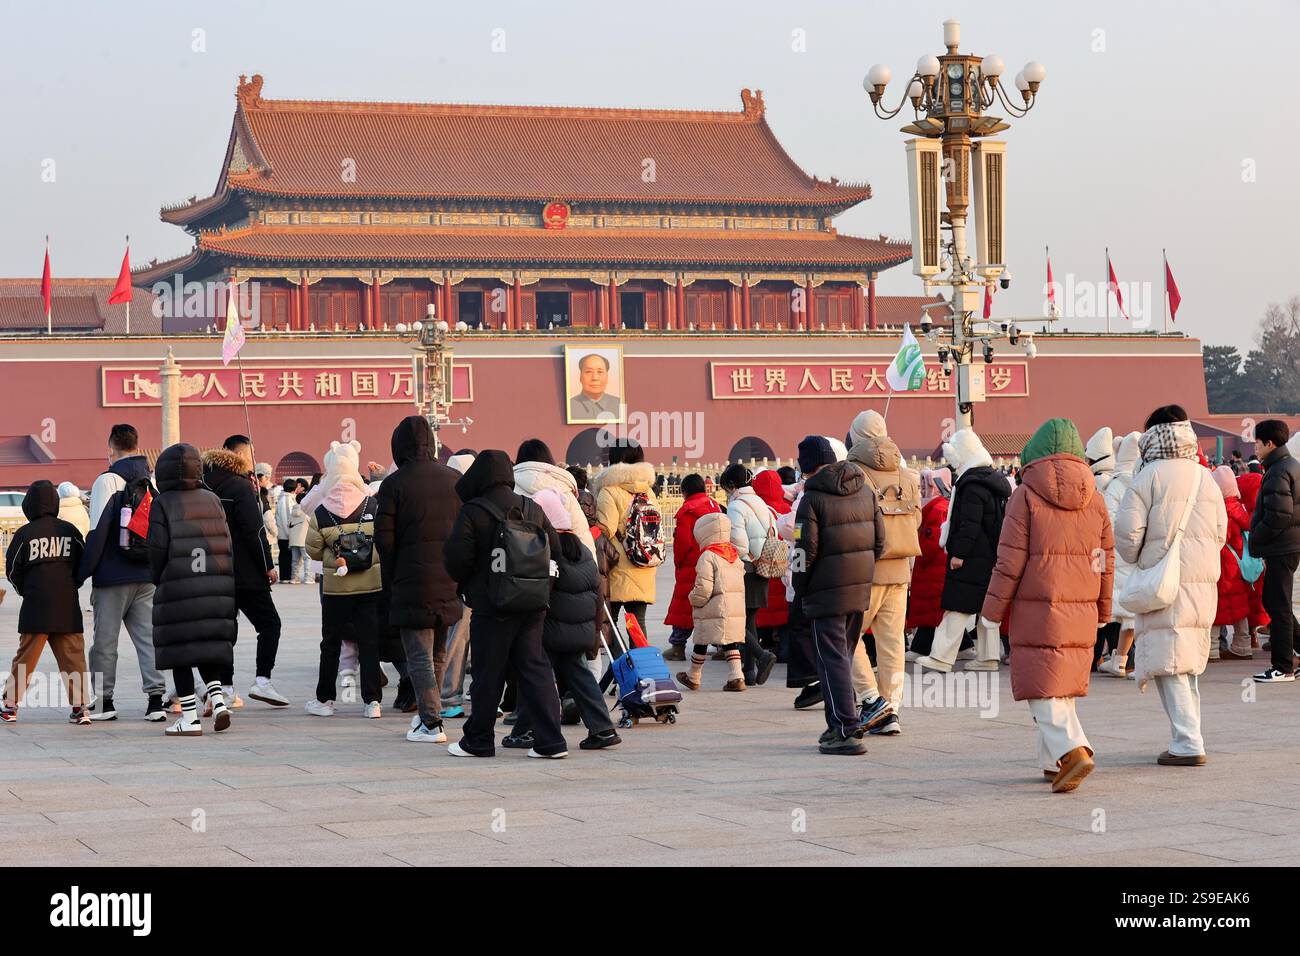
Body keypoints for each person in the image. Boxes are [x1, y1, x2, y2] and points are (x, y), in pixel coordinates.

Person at [982, 419, 1114, 793]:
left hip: (1037, 605)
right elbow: (1105, 559)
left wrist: (992, 611)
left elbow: (1009, 560)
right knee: (1063, 684)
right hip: (1082, 604)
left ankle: (1073, 750)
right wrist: (1103, 608)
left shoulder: (1024, 495)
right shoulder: (1097, 498)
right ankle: (1051, 760)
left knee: (1040, 685)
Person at [1114, 406, 1226, 765]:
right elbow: (1221, 533)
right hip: (1201, 579)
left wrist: (1142, 556)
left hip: (1164, 579)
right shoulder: (1204, 477)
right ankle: (1188, 735)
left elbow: (1128, 537)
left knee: (1171, 659)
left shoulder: (1147, 477)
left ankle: (1188, 741)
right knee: (1187, 659)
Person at [443, 450, 567, 759]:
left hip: (492, 606)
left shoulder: (473, 511)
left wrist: (472, 587)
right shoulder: (532, 508)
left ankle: (479, 740)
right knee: (535, 669)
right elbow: (556, 552)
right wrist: (540, 589)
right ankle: (551, 742)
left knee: (488, 673)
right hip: (532, 605)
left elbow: (457, 560)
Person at [792, 436, 884, 756]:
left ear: (806, 467)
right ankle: (837, 724)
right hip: (859, 588)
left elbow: (803, 551)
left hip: (825, 593)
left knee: (831, 660)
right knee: (842, 656)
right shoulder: (864, 489)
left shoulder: (811, 499)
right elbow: (880, 542)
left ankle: (846, 727)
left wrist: (799, 587)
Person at [508, 488, 620, 749]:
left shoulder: (545, 548)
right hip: (579, 630)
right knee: (580, 677)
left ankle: (524, 731)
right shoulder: (582, 548)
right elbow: (596, 593)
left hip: (550, 628)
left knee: (534, 675)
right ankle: (602, 729)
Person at [374, 417, 465, 741]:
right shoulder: (455, 480)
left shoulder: (394, 485)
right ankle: (432, 714)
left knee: (419, 657)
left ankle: (430, 722)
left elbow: (384, 541)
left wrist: (394, 576)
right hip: (450, 581)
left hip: (411, 582)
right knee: (438, 653)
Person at [145, 443, 238, 737]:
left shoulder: (163, 502)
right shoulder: (212, 499)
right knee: (206, 649)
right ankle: (219, 703)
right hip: (214, 585)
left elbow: (157, 547)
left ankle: (189, 718)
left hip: (178, 587)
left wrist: (157, 577)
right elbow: (226, 543)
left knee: (180, 654)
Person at [80, 424, 166, 722]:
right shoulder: (151, 479)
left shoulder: (108, 481)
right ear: (137, 444)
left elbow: (98, 531)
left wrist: (82, 573)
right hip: (146, 574)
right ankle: (156, 700)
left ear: (111, 446)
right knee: (148, 638)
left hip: (112, 576)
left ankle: (104, 702)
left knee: (105, 642)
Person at [847, 409, 922, 736]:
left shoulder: (852, 474)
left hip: (864, 571)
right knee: (893, 645)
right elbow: (916, 521)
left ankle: (870, 699)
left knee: (845, 637)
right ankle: (890, 708)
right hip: (900, 570)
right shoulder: (908, 476)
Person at [915, 429, 1009, 674]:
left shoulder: (971, 484)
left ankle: (941, 657)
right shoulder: (991, 480)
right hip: (990, 555)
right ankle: (988, 658)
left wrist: (959, 553)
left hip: (971, 556)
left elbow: (969, 524)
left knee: (956, 606)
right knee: (986, 608)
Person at [203, 435, 286, 707]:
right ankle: (263, 681)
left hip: (214, 571)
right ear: (238, 454)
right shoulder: (240, 487)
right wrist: (268, 565)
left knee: (226, 630)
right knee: (270, 624)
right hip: (246, 572)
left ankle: (225, 688)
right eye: (250, 453)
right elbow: (255, 531)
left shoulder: (204, 483)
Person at [304, 440, 384, 719]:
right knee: (369, 642)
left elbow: (312, 548)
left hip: (336, 588)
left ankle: (325, 700)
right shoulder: (372, 503)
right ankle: (372, 702)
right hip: (369, 585)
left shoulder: (322, 510)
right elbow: (384, 540)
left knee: (331, 642)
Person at [1, 480, 89, 724]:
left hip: (35, 606)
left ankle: (10, 706)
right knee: (74, 658)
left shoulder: (24, 534)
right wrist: (72, 586)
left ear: (28, 504)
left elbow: (12, 571)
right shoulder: (70, 531)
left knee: (25, 659)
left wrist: (26, 592)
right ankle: (81, 708)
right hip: (67, 607)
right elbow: (83, 565)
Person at [1248, 419, 1300, 682]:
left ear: (1270, 443)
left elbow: (1279, 515)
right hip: (1288, 545)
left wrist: (1256, 536)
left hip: (1281, 546)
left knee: (1277, 606)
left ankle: (1283, 666)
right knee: (1276, 603)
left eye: (1257, 442)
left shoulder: (1279, 470)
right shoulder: (1287, 465)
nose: (1255, 448)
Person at [718, 464, 779, 686]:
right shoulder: (760, 503)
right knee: (749, 618)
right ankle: (750, 671)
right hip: (763, 566)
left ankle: (762, 655)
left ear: (732, 485)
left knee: (733, 621)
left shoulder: (736, 506)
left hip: (746, 568)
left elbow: (739, 543)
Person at [592, 439, 659, 637]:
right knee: (637, 624)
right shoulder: (648, 491)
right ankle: (641, 664)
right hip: (644, 561)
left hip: (618, 567)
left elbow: (605, 529)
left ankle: (620, 664)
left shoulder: (609, 490)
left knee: (608, 623)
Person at [675, 511, 747, 691]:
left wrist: (694, 599)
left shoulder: (708, 556)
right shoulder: (734, 555)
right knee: (730, 642)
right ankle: (737, 676)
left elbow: (704, 587)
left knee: (701, 641)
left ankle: (693, 676)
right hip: (734, 607)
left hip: (712, 607)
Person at [663, 474, 721, 661]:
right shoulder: (715, 506)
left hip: (692, 565)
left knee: (684, 605)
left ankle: (678, 646)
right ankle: (720, 646)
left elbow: (682, 544)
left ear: (685, 491)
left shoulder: (687, 511)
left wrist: (678, 563)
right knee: (714, 605)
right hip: (716, 560)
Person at [1097, 432, 1142, 678]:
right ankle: (1125, 660)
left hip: (1116, 553)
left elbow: (1106, 523)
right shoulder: (1143, 482)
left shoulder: (1112, 485)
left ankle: (1119, 659)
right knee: (1135, 613)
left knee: (1122, 611)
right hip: (1137, 553)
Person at [439, 450, 477, 719]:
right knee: (470, 638)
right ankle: (461, 694)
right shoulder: (476, 503)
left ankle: (450, 695)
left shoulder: (445, 502)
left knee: (456, 640)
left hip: (451, 580)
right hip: (472, 582)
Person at [513, 439, 595, 556]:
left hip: (524, 564)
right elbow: (581, 534)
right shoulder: (564, 490)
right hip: (562, 564)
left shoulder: (512, 489)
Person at [905, 467, 952, 660]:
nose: (923, 491)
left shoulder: (938, 509)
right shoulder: (937, 507)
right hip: (932, 569)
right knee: (933, 609)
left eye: (925, 486)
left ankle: (921, 646)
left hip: (932, 569)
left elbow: (931, 544)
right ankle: (963, 645)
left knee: (931, 609)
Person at [1211, 466, 1254, 660]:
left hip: (1224, 565)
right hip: (1238, 566)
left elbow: (1221, 537)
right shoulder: (1239, 507)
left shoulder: (1222, 510)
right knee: (1240, 607)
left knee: (1217, 607)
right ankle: (1243, 645)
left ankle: (1211, 648)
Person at [752, 469, 791, 655]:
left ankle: (760, 648)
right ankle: (784, 650)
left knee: (761, 611)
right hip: (784, 567)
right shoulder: (787, 508)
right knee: (782, 615)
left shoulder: (756, 510)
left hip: (764, 566)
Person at [569, 353, 622, 419]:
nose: (595, 378)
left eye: (600, 372)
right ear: (580, 376)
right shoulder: (569, 406)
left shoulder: (620, 404)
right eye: (589, 372)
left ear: (607, 377)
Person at [275, 478, 297, 584]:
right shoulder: (286, 500)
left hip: (284, 533)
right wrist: (289, 533)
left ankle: (286, 576)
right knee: (285, 555)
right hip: (285, 534)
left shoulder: (285, 498)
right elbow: (285, 518)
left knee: (285, 554)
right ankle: (285, 576)